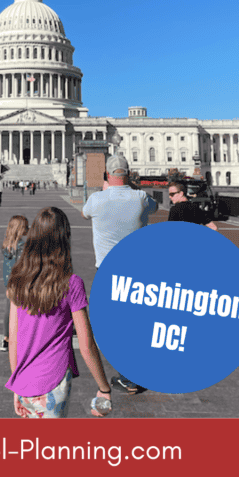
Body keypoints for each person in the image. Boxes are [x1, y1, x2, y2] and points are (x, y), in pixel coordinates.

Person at [6, 207, 112, 419]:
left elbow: (14, 337)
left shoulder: (18, 278)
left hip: (24, 380)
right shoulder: (71, 283)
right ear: (65, 239)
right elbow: (86, 344)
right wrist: (104, 388)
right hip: (54, 381)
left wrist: (16, 384)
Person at [82, 153, 158, 394]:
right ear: (129, 174)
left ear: (107, 174)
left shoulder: (96, 200)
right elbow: (154, 207)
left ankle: (130, 374)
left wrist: (106, 190)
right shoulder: (141, 198)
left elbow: (85, 213)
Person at [0, 215, 29, 353]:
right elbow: (21, 266)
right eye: (26, 227)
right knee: (22, 309)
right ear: (20, 229)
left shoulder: (6, 245)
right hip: (19, 282)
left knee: (9, 309)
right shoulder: (22, 246)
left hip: (9, 281)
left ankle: (6, 338)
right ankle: (20, 337)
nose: (28, 229)